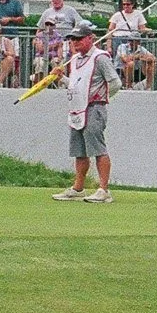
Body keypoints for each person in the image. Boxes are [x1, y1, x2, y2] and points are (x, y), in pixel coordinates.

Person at [51, 23, 119, 202]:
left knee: (98, 149)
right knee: (79, 151)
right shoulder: (74, 60)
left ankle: (104, 190)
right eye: (73, 39)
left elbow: (115, 82)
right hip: (77, 109)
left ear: (90, 38)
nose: (75, 42)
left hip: (94, 108)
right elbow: (75, 85)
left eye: (79, 38)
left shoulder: (100, 58)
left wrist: (103, 97)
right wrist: (61, 78)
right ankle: (78, 188)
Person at [109, 0, 154, 88]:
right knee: (122, 61)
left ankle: (144, 83)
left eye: (128, 4)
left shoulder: (138, 14)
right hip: (118, 39)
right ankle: (123, 82)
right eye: (124, 4)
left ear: (133, 5)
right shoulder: (117, 15)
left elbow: (142, 28)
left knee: (135, 62)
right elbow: (110, 30)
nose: (125, 6)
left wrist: (149, 30)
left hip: (133, 37)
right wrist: (109, 45)